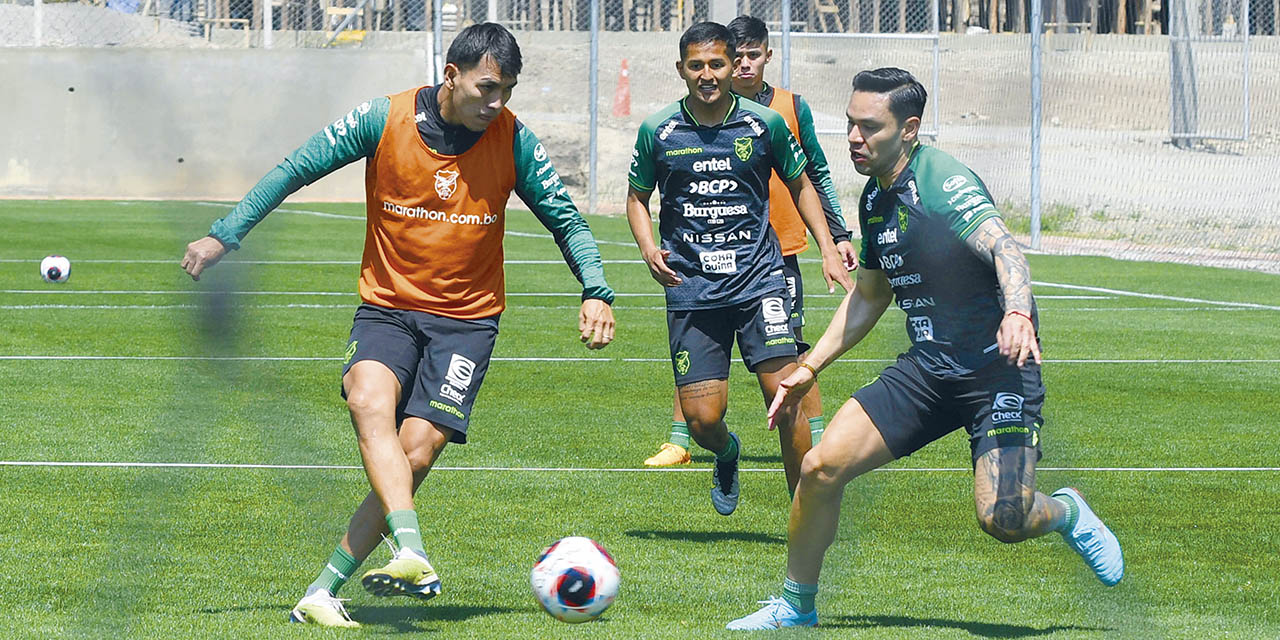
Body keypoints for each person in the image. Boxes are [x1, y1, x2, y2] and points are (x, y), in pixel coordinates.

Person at [179, 23, 617, 628]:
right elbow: (296, 168)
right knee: (367, 399)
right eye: (486, 88)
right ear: (451, 75)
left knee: (414, 453)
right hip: (387, 306)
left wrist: (595, 290)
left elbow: (565, 218)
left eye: (507, 91)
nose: (496, 103)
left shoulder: (513, 140)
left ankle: (322, 591)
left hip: (466, 322)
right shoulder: (381, 120)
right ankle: (411, 550)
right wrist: (226, 234)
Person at [726, 68, 1123, 630]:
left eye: (869, 127)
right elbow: (869, 294)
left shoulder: (941, 183)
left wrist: (1015, 312)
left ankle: (1067, 512)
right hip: (930, 370)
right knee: (820, 467)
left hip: (998, 373)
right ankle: (796, 605)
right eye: (850, 125)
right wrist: (809, 367)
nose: (854, 139)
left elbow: (1006, 250)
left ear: (909, 129)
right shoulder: (876, 198)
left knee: (1003, 517)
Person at [626, 22, 853, 514]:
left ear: (732, 67)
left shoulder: (764, 124)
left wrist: (829, 246)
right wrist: (648, 248)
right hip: (691, 287)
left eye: (717, 65)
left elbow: (800, 183)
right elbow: (637, 199)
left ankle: (805, 514)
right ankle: (726, 455)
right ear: (681, 69)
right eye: (696, 66)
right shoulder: (658, 131)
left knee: (786, 395)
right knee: (703, 420)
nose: (707, 75)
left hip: (758, 280)